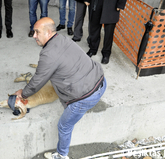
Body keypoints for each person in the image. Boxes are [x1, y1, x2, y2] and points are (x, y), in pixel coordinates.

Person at [14, 17, 106, 159]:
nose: (34, 36)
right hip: (100, 81)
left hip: (86, 96)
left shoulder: (48, 54)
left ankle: (62, 155)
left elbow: (38, 80)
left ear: (49, 32)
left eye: (37, 32)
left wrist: (23, 94)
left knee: (64, 126)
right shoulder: (62, 39)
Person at [85, 0, 127, 64]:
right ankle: (93, 49)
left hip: (112, 4)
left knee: (109, 31)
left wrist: (120, 4)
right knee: (94, 27)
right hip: (96, 3)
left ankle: (106, 53)